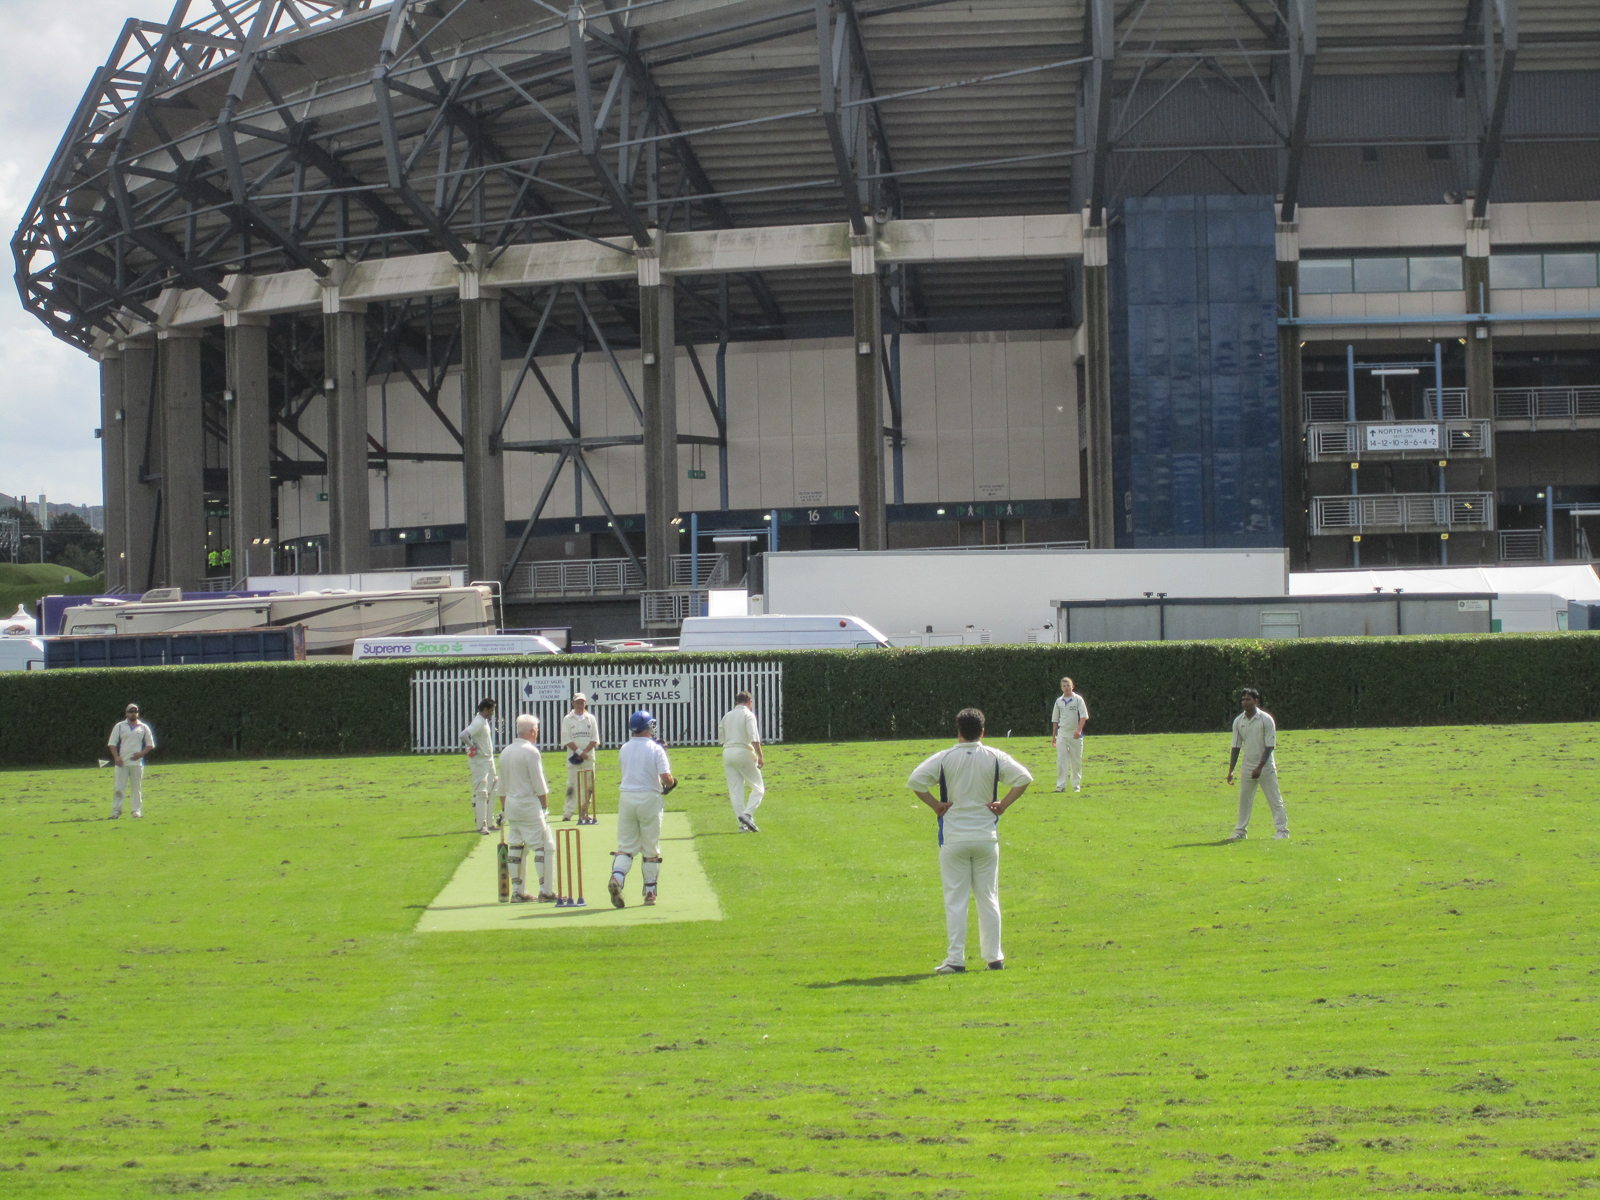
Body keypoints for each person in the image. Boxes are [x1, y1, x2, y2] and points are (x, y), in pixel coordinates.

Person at [907, 707, 1033, 974]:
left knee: (956, 900)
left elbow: (915, 780)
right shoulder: (994, 756)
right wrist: (1003, 805)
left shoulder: (944, 758)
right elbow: (1024, 778)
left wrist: (935, 805)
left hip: (954, 838)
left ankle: (956, 960)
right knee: (988, 897)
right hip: (986, 837)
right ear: (983, 732)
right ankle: (994, 958)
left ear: (958, 731)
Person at [608, 710, 676, 909]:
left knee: (626, 846)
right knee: (650, 848)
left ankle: (617, 879)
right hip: (649, 798)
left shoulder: (625, 748)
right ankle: (649, 893)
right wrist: (672, 785)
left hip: (627, 798)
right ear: (647, 727)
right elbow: (666, 778)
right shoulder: (656, 749)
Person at [496, 714, 557, 903]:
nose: (537, 732)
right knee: (543, 845)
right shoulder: (531, 752)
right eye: (536, 729)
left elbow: (502, 786)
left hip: (512, 807)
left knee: (516, 846)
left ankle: (517, 892)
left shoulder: (506, 751)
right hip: (528, 806)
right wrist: (545, 806)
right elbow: (538, 784)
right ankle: (545, 891)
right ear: (532, 731)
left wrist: (505, 809)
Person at [1227, 687, 1288, 841]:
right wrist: (1231, 770)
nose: (1245, 702)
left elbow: (1270, 746)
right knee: (1244, 799)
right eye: (1243, 700)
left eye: (1248, 699)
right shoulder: (1238, 721)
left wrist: (1260, 767)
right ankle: (1240, 832)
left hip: (1265, 766)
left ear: (1256, 701)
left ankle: (1282, 831)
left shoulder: (1265, 720)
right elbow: (1236, 746)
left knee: (1274, 799)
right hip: (1247, 766)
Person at [719, 690, 765, 832]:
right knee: (758, 788)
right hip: (742, 751)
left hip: (727, 752)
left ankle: (742, 825)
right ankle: (747, 814)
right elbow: (754, 738)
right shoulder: (748, 715)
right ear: (750, 702)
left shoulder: (727, 716)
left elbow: (721, 738)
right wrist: (760, 755)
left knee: (735, 790)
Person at [107, 703, 155, 819]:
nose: (133, 713)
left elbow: (150, 744)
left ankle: (136, 811)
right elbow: (112, 744)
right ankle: (116, 812)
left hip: (137, 763)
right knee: (119, 788)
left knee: (136, 789)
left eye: (135, 711)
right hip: (122, 763)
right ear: (126, 713)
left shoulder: (143, 727)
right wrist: (117, 758)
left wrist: (141, 754)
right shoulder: (119, 726)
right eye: (130, 711)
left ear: (137, 713)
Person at [459, 698, 499, 835]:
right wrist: (472, 746)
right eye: (492, 710)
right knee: (481, 792)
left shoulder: (484, 722)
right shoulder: (478, 722)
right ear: (485, 709)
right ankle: (481, 825)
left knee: (493, 788)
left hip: (489, 759)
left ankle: (490, 822)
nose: (493, 713)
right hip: (479, 761)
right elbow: (463, 735)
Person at [559, 693, 601, 821]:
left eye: (582, 702)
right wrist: (578, 752)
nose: (580, 704)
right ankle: (568, 812)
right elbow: (566, 739)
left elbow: (595, 739)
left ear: (585, 703)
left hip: (588, 757)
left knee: (588, 785)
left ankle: (584, 811)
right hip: (573, 757)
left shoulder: (590, 718)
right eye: (577, 702)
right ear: (573, 703)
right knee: (572, 785)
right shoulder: (568, 719)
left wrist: (585, 752)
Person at [1050, 676, 1089, 792]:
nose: (1067, 688)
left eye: (1068, 685)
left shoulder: (1078, 699)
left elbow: (1083, 716)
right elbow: (1055, 719)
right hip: (1062, 733)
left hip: (1075, 735)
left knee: (1076, 760)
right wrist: (1054, 736)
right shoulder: (1059, 701)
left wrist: (1079, 730)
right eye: (1064, 686)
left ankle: (1076, 785)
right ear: (1061, 688)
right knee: (1062, 760)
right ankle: (1060, 786)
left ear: (1072, 686)